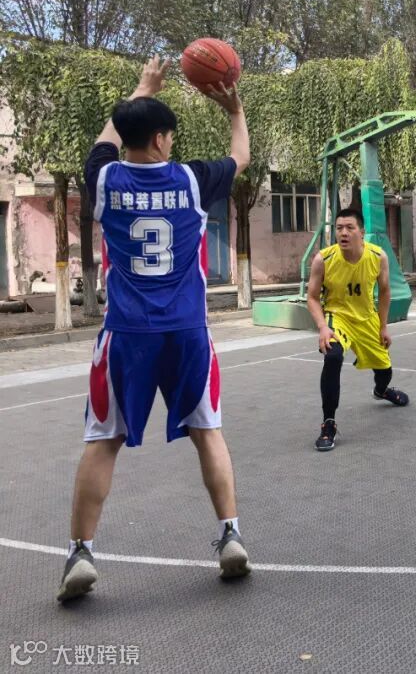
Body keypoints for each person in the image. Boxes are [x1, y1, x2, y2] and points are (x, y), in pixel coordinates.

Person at [60, 56, 251, 602]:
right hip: (187, 330)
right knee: (207, 431)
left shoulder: (105, 179)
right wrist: (234, 109)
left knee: (103, 440)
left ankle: (80, 552)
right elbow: (241, 155)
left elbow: (106, 141)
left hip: (127, 333)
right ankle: (230, 535)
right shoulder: (190, 180)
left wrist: (142, 88)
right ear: (164, 140)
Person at [306, 208, 409, 452]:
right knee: (333, 356)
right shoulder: (323, 259)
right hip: (338, 318)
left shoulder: (377, 256)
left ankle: (381, 390)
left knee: (384, 370)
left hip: (367, 320)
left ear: (361, 233)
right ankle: (328, 423)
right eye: (339, 228)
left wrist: (383, 327)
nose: (343, 233)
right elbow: (312, 297)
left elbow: (385, 291)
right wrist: (323, 327)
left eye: (349, 228)